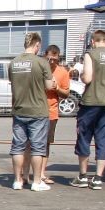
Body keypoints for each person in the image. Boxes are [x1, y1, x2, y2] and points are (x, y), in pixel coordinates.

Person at [8, 31, 54, 191]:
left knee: (17, 147)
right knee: (38, 148)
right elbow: (49, 86)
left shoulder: (13, 63)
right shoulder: (41, 62)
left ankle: (17, 181)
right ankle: (37, 182)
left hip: (19, 109)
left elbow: (13, 83)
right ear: (37, 45)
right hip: (38, 110)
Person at [73, 29, 105, 189]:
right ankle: (98, 178)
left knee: (84, 136)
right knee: (103, 138)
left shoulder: (90, 54)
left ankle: (82, 177)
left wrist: (81, 75)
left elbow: (87, 78)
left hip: (90, 102)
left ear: (92, 41)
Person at [39, 45, 70, 185]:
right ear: (45, 56)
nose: (52, 62)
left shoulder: (62, 72)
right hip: (36, 110)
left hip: (51, 112)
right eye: (49, 58)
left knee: (45, 144)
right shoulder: (39, 68)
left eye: (55, 59)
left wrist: (57, 87)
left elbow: (66, 93)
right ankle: (26, 173)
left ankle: (41, 174)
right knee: (30, 143)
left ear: (58, 58)